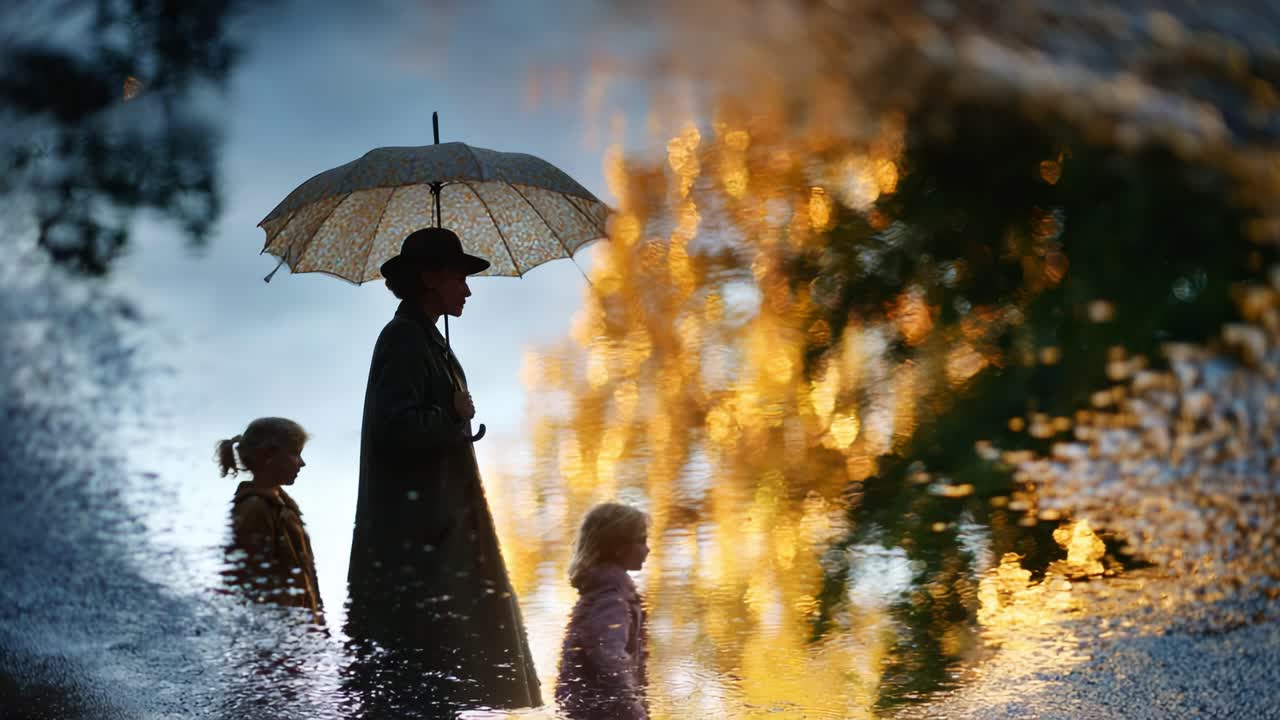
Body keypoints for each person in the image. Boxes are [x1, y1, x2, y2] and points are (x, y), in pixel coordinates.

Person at [343, 227, 541, 716]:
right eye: (459, 278)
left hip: (433, 538)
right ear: (430, 278)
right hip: (417, 549)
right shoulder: (404, 338)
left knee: (438, 681)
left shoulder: (425, 339)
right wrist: (453, 415)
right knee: (421, 679)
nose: (467, 290)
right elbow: (395, 429)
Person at [215, 417, 324, 625]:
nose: (302, 463)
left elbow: (307, 578)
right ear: (269, 456)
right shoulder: (254, 508)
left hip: (299, 638)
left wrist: (318, 625)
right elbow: (252, 585)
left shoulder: (284, 508)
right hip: (275, 640)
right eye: (295, 453)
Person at [556, 502, 650, 720]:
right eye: (641, 540)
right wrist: (634, 712)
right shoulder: (612, 596)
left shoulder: (603, 590)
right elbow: (608, 655)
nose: (647, 549)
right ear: (618, 547)